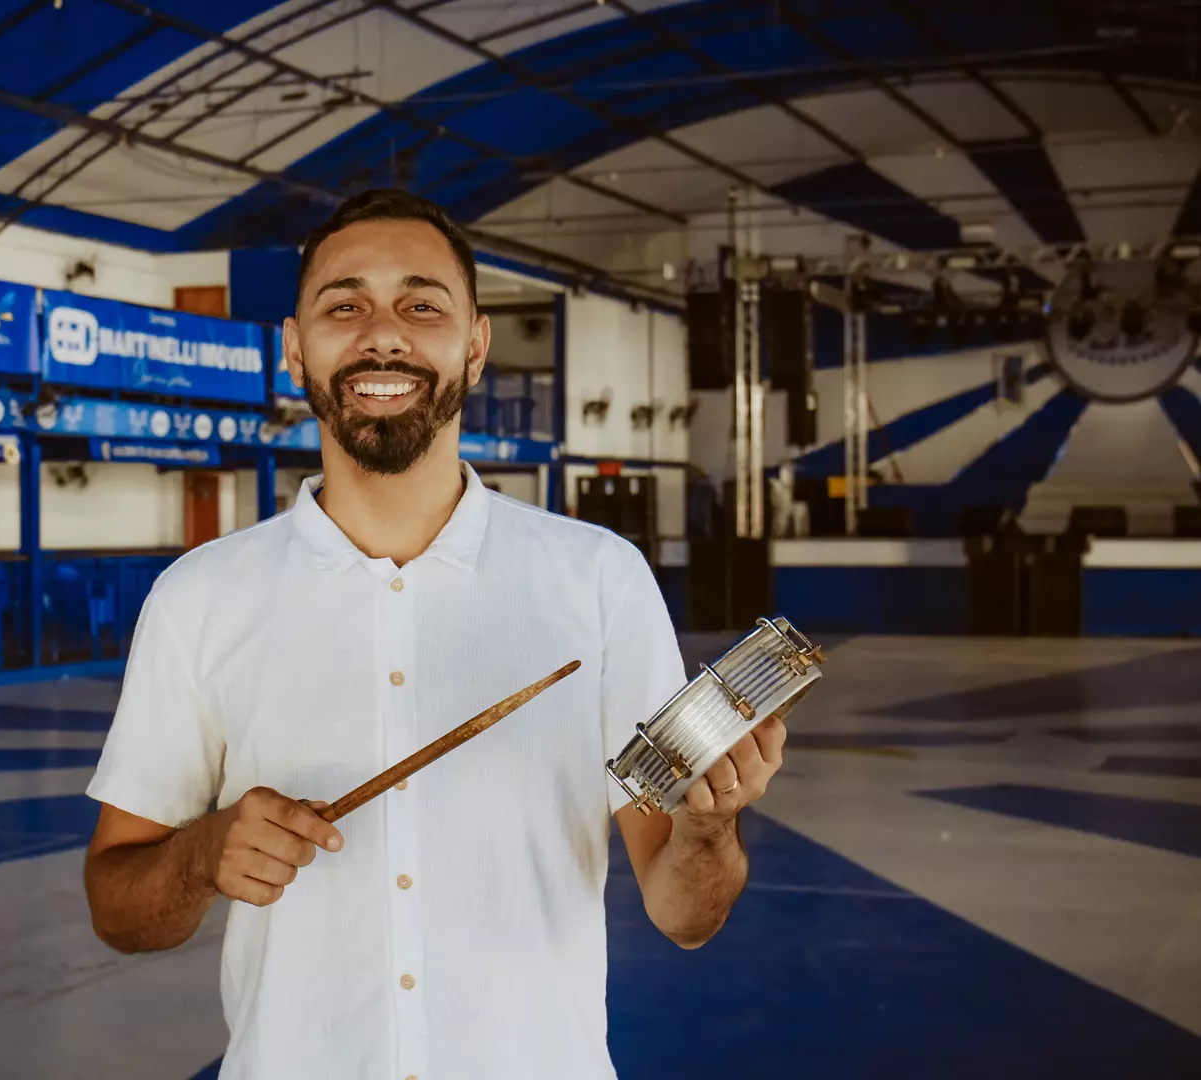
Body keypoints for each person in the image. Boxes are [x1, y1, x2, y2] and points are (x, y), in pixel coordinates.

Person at [83, 189, 788, 1079]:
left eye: (422, 305)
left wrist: (706, 828)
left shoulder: (598, 579)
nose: (384, 335)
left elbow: (685, 914)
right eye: (345, 306)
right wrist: (198, 854)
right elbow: (117, 906)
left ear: (476, 345)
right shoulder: (200, 598)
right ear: (295, 349)